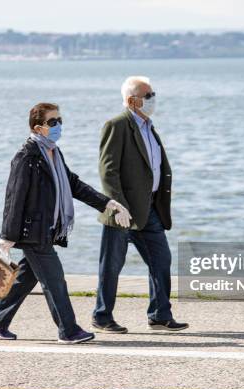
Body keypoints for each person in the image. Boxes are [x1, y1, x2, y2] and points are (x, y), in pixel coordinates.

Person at [0, 102, 131, 344]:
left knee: (24, 278)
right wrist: (7, 237)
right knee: (55, 281)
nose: (58, 126)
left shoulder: (53, 153)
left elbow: (72, 184)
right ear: (38, 128)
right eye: (53, 122)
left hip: (47, 229)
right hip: (32, 231)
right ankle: (68, 330)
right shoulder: (26, 156)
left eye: (60, 120)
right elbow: (14, 197)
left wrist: (106, 203)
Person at [92, 76, 188, 333]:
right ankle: (102, 316)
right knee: (111, 266)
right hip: (123, 211)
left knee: (161, 260)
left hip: (150, 210)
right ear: (132, 101)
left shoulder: (148, 126)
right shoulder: (117, 125)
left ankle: (159, 314)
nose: (153, 99)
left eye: (152, 94)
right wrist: (118, 206)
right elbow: (108, 172)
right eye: (148, 95)